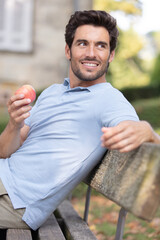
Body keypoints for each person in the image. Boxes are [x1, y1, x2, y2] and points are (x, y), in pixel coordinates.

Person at [0, 10, 160, 231]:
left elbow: (131, 127)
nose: (91, 53)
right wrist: (14, 124)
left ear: (111, 55)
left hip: (15, 200)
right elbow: (4, 150)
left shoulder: (110, 100)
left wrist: (147, 130)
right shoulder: (52, 93)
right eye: (83, 43)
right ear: (68, 50)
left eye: (101, 46)